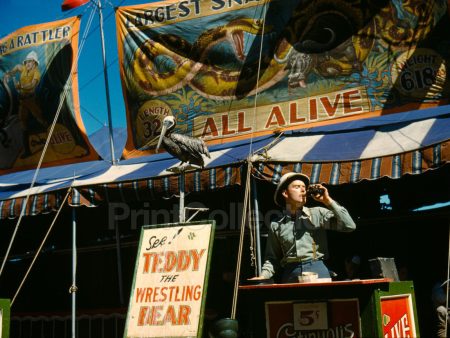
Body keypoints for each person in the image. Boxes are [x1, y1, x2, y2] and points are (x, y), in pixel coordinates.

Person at [251, 172, 356, 283]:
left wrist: (327, 200)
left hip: (318, 270)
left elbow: (349, 225)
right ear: (285, 193)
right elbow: (272, 258)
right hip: (291, 274)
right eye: (297, 187)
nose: (303, 190)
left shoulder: (318, 213)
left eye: (304, 187)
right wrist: (263, 276)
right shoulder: (276, 224)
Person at [4, 50, 48, 158]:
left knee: (40, 118)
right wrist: (9, 74)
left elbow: (32, 85)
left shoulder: (36, 73)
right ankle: (27, 150)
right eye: (27, 62)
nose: (28, 64)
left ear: (34, 63)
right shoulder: (23, 68)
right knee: (23, 124)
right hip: (22, 101)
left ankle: (52, 139)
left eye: (30, 62)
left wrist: (21, 87)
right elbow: (17, 67)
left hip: (31, 100)